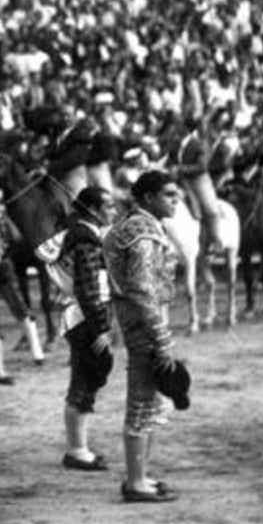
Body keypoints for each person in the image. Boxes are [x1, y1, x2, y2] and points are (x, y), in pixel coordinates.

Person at [102, 170, 182, 503]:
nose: (176, 201)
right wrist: (162, 339)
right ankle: (135, 482)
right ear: (148, 198)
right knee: (141, 401)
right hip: (145, 324)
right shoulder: (143, 230)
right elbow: (142, 289)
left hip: (139, 322)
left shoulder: (136, 225)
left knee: (147, 402)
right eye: (169, 195)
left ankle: (141, 476)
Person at [60, 186, 119, 471]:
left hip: (83, 316)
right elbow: (88, 288)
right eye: (109, 206)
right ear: (94, 210)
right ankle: (77, 450)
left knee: (86, 379)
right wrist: (101, 328)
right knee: (85, 379)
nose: (114, 211)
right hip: (86, 318)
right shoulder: (85, 239)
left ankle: (78, 447)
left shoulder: (83, 235)